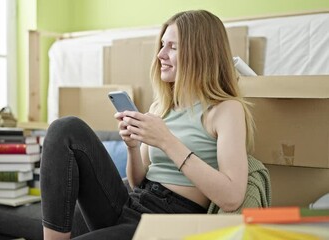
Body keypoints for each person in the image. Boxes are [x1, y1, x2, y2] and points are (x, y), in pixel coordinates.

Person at [40, 9, 255, 240]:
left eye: (172, 47)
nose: (161, 54)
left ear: (201, 53)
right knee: (65, 129)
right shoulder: (159, 107)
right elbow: (137, 182)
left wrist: (166, 141)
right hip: (134, 203)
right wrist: (132, 146)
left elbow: (232, 197)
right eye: (162, 45)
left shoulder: (225, 109)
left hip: (173, 219)